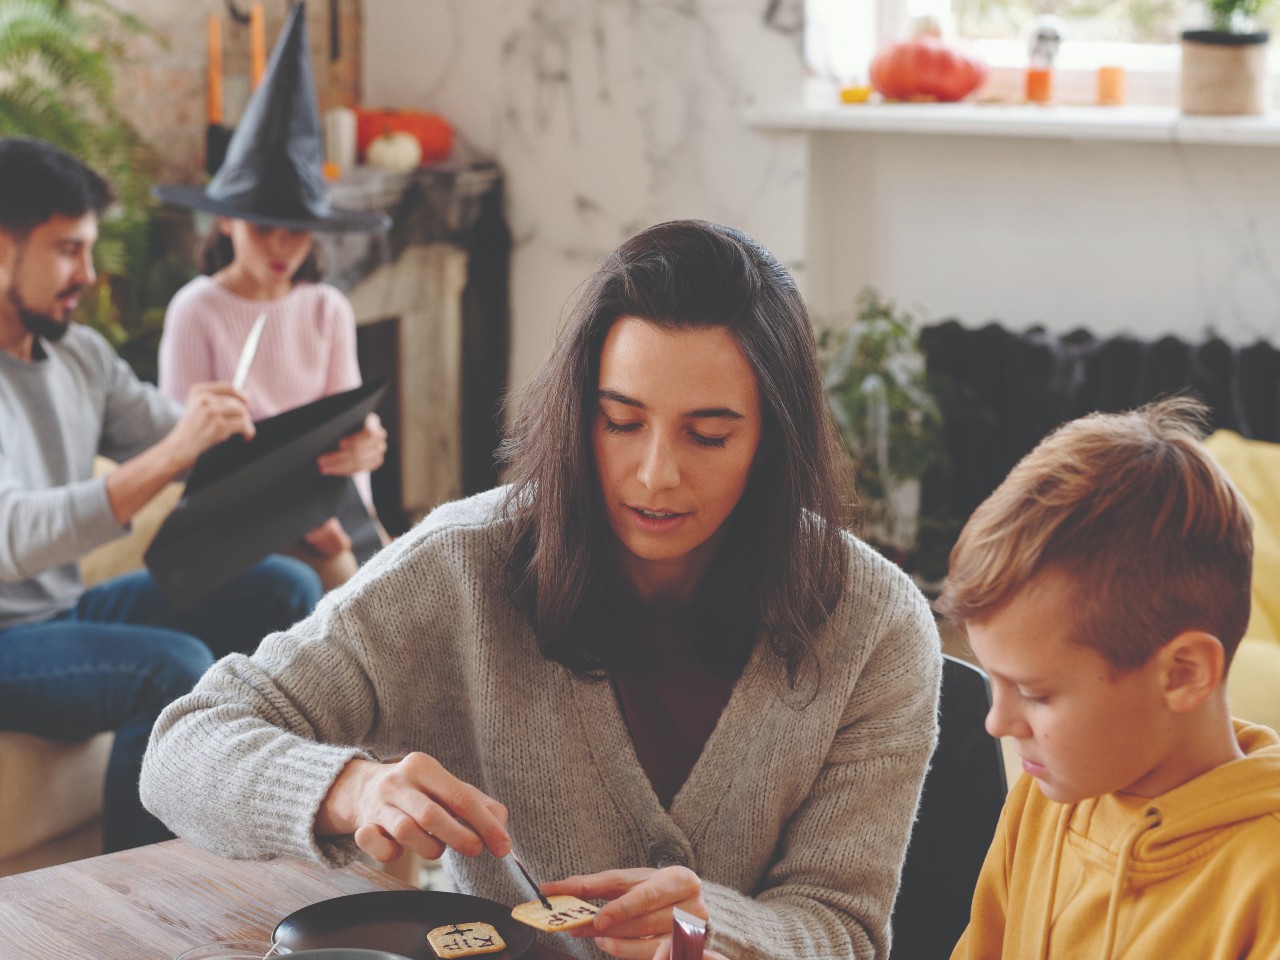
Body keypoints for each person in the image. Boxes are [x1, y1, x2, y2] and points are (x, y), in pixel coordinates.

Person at [141, 219, 942, 960]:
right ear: (574, 415)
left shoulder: (876, 623)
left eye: (708, 434)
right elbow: (183, 746)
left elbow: (844, 930)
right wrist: (352, 787)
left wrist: (708, 930)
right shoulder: (460, 569)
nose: (656, 473)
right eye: (620, 421)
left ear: (772, 440)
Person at [0, 136, 324, 853]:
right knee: (169, 666)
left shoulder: (77, 353)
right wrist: (174, 452)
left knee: (286, 588)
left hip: (59, 611)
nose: (88, 272)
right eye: (67, 250)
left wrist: (321, 451)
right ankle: (135, 896)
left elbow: (183, 439)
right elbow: (13, 538)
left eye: (90, 249)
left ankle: (268, 829)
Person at [938, 397, 1280, 960]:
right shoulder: (1041, 800)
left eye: (1034, 693)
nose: (997, 722)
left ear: (1183, 674)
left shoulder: (1264, 885)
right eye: (992, 680)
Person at [154, 2, 390, 589]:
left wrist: (364, 453)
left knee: (404, 575)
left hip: (330, 513)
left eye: (297, 230)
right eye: (264, 228)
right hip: (240, 525)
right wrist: (301, 522)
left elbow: (345, 431)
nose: (282, 247)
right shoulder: (197, 310)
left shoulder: (326, 309)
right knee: (346, 582)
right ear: (227, 223)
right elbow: (185, 462)